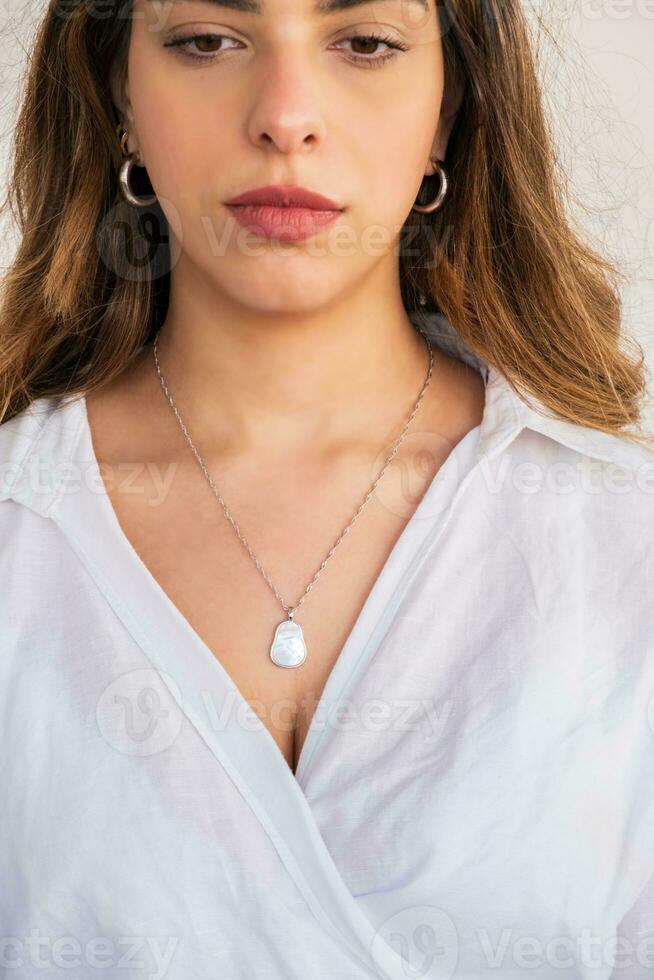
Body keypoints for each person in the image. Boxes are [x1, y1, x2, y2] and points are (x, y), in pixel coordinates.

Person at [0, 0, 653, 977]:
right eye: (209, 40)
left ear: (450, 106)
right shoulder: (20, 522)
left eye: (365, 43)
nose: (286, 116)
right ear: (118, 93)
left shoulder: (624, 539)